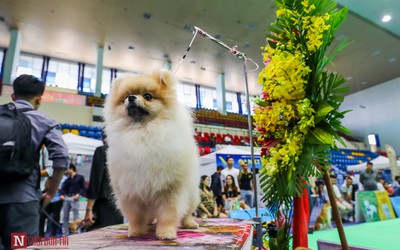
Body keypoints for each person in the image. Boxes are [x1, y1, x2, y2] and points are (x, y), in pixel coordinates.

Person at [0, 75, 69, 250]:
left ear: (13, 96)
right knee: (21, 247)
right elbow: (61, 158)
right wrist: (51, 192)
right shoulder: (45, 122)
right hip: (23, 201)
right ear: (38, 99)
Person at [83, 130, 123, 230]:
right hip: (119, 202)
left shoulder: (101, 151)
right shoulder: (123, 154)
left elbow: (96, 180)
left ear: (103, 138)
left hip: (104, 202)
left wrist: (89, 209)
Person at [60, 163, 86, 235]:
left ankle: (77, 232)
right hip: (67, 198)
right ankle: (64, 233)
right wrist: (62, 194)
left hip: (75, 198)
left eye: (67, 169)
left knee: (76, 216)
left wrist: (79, 194)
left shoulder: (80, 177)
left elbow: (84, 188)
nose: (66, 171)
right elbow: (63, 188)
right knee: (65, 216)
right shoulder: (67, 179)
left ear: (71, 169)